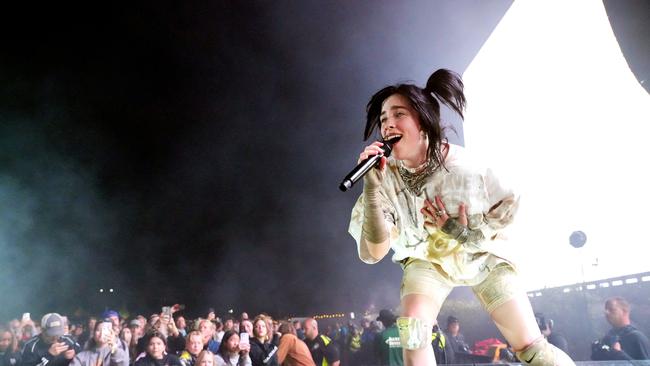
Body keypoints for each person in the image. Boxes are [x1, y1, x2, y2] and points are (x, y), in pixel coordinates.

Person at [347, 69, 575, 366]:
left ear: (423, 119)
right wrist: (372, 190)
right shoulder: (385, 176)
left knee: (531, 348)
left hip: (482, 256)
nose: (388, 124)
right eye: (383, 119)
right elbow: (374, 252)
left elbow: (510, 209)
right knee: (413, 332)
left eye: (398, 114)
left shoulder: (467, 169)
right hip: (426, 258)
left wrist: (461, 232)